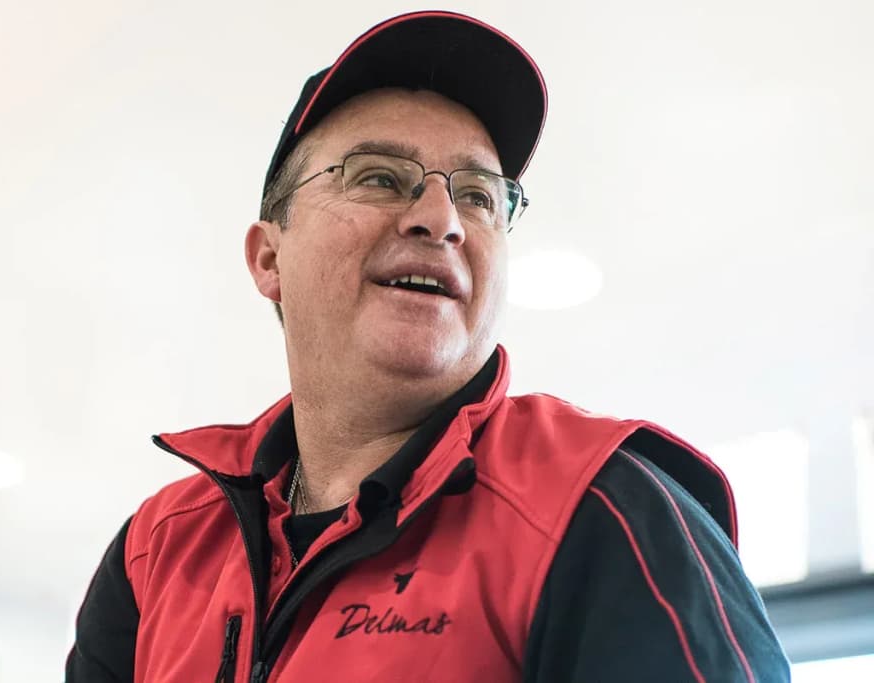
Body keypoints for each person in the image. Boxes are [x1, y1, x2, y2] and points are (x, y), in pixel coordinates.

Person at [66, 10, 790, 682]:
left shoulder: (605, 508)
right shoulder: (155, 552)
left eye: (478, 195)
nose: (442, 219)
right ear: (268, 259)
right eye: (380, 176)